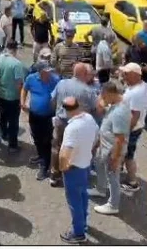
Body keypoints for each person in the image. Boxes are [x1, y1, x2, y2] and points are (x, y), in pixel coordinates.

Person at [48, 63, 97, 187]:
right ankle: (71, 174)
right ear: (84, 74)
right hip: (77, 124)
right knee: (75, 149)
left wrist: (57, 112)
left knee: (57, 147)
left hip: (60, 121)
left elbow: (52, 101)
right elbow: (94, 108)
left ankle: (54, 175)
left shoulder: (61, 83)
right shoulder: (88, 90)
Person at [58, 96, 99, 244]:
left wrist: (63, 167)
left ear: (65, 110)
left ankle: (78, 233)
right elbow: (97, 136)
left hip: (74, 169)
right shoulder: (88, 118)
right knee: (82, 196)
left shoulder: (72, 128)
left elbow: (64, 154)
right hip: (85, 165)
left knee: (74, 201)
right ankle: (83, 223)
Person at [93, 81, 131, 216]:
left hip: (112, 150)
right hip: (105, 146)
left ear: (110, 94)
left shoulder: (119, 112)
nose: (103, 100)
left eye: (104, 97)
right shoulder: (116, 104)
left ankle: (113, 205)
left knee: (113, 176)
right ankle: (101, 189)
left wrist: (115, 158)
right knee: (99, 164)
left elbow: (119, 139)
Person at [21, 61, 60, 181]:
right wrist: (22, 102)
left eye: (49, 71)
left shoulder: (55, 80)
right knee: (36, 136)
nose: (49, 73)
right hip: (34, 115)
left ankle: (44, 166)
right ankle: (40, 155)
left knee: (46, 140)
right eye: (46, 72)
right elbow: (24, 89)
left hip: (49, 116)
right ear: (39, 72)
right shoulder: (31, 79)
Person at [120, 62, 147, 192]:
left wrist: (124, 132)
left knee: (128, 156)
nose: (123, 75)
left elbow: (135, 115)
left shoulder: (136, 93)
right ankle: (119, 169)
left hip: (131, 129)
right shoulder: (140, 86)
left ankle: (132, 182)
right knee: (125, 153)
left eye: (126, 74)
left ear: (135, 75)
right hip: (134, 127)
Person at [0, 40, 26, 153]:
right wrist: (21, 98)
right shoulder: (16, 64)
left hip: (1, 95)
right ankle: (13, 145)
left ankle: (4, 134)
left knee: (3, 116)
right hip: (13, 97)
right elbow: (19, 83)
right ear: (16, 49)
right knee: (13, 121)